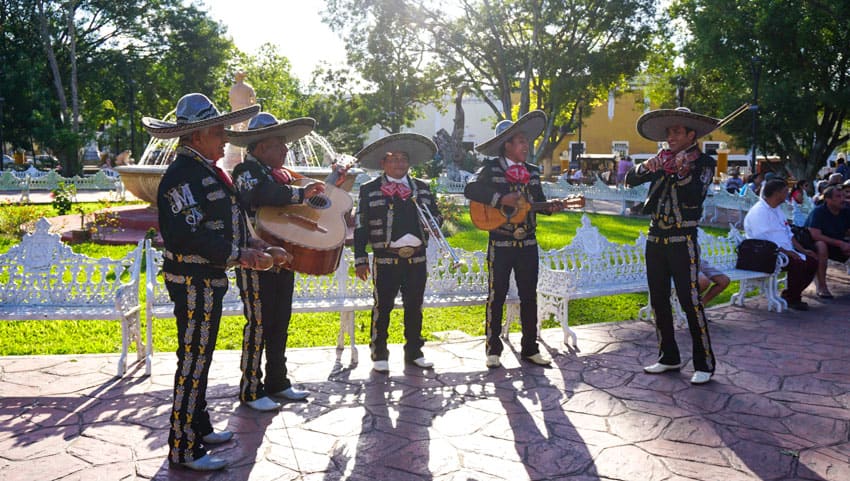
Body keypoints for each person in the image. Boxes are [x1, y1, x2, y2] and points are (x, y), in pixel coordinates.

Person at [144, 93, 265, 471]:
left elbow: (220, 220)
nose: (224, 137)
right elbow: (189, 236)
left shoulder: (203, 169)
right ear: (196, 137)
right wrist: (240, 254)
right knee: (194, 360)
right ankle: (183, 448)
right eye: (217, 131)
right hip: (193, 280)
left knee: (198, 356)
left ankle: (200, 426)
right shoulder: (183, 175)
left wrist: (250, 242)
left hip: (206, 280)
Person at [226, 113, 332, 411]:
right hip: (255, 258)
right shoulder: (246, 171)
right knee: (259, 324)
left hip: (282, 257)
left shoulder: (281, 173)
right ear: (259, 147)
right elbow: (262, 194)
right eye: (278, 145)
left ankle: (277, 381)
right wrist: (299, 194)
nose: (285, 151)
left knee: (280, 321)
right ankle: (250, 389)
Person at [625, 106, 718, 385]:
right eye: (669, 132)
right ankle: (669, 356)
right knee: (659, 300)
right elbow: (630, 180)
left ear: (692, 134)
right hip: (655, 239)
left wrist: (682, 172)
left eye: (677, 131)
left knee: (691, 302)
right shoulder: (662, 159)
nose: (671, 137)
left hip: (682, 240)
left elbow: (694, 196)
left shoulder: (703, 163)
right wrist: (646, 166)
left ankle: (704, 363)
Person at [464, 110, 562, 369]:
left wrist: (549, 207)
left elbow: (536, 202)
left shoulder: (531, 171)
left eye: (526, 142)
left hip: (528, 242)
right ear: (506, 145)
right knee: (496, 295)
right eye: (520, 142)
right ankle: (493, 350)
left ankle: (530, 348)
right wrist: (500, 200)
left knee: (529, 295)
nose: (526, 146)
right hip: (501, 243)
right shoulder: (490, 168)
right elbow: (470, 189)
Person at [353, 133, 442, 373]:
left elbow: (436, 215)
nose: (400, 163)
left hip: (416, 257)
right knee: (383, 305)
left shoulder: (421, 188)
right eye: (394, 159)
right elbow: (360, 226)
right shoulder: (369, 189)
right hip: (386, 258)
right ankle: (379, 350)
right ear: (383, 163)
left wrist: (434, 223)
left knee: (415, 305)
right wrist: (360, 258)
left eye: (404, 159)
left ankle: (414, 351)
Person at [745, 179, 819, 309]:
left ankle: (790, 294)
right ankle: (793, 298)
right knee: (798, 263)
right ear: (777, 193)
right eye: (785, 191)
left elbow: (788, 233)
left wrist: (802, 250)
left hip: (785, 251)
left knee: (812, 260)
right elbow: (763, 241)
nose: (788, 193)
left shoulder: (777, 209)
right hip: (765, 254)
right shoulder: (759, 212)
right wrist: (786, 252)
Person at [805, 185, 850, 296]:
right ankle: (822, 286)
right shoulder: (819, 212)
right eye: (838, 196)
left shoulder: (846, 211)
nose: (843, 199)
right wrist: (841, 243)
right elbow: (815, 235)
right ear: (827, 199)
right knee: (821, 246)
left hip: (836, 242)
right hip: (812, 244)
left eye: (844, 196)